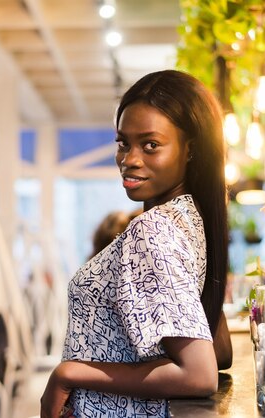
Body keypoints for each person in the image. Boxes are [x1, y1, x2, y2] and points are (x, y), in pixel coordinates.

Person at [41, 69, 231, 418]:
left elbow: (199, 374)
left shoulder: (153, 229)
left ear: (190, 150)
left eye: (150, 145)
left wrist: (69, 373)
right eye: (123, 143)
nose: (129, 159)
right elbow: (220, 352)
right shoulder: (190, 219)